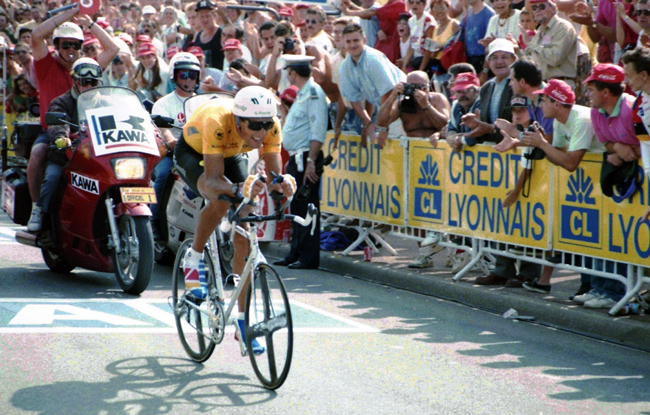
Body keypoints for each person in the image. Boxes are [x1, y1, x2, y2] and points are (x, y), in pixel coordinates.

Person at [174, 86, 296, 355]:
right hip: (193, 153)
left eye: (266, 124)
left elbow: (274, 177)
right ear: (239, 120)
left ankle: (244, 324)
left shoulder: (270, 125)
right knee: (219, 199)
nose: (261, 132)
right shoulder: (217, 121)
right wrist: (240, 189)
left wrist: (284, 184)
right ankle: (193, 259)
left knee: (246, 221)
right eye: (254, 125)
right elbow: (216, 180)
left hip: (230, 153)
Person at [26, 7, 119, 232]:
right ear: (56, 46)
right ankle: (37, 207)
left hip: (90, 135)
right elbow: (37, 35)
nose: (70, 49)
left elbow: (113, 48)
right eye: (65, 44)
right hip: (54, 132)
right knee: (38, 154)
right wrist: (73, 11)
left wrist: (90, 24)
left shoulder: (87, 69)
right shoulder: (46, 64)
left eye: (75, 45)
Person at [28, 59, 103, 232]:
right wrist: (62, 137)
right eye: (85, 82)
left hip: (99, 158)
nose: (90, 86)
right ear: (75, 81)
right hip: (68, 156)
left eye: (94, 82)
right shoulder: (61, 102)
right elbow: (57, 124)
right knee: (53, 177)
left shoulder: (107, 102)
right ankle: (39, 212)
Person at [272, 55, 328, 270]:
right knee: (296, 207)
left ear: (293, 73)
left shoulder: (313, 94)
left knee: (307, 208)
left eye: (288, 71)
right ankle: (295, 252)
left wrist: (311, 161)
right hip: (298, 157)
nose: (287, 76)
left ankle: (308, 257)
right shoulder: (304, 94)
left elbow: (317, 131)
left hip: (307, 157)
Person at [150, 52, 201, 240]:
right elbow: (165, 133)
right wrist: (171, 140)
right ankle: (153, 222)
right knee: (163, 175)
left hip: (200, 151)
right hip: (171, 153)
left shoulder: (203, 103)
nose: (188, 80)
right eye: (183, 75)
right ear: (174, 76)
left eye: (192, 75)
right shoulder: (163, 104)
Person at [338, 23, 406, 147]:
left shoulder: (373, 59)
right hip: (387, 107)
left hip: (403, 105)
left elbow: (388, 93)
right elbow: (355, 99)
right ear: (343, 43)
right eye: (348, 41)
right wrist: (367, 123)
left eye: (356, 40)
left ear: (364, 40)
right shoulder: (345, 67)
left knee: (397, 148)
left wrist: (384, 127)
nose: (352, 45)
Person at [621, 47, 650, 223]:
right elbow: (647, 151)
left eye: (629, 75)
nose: (625, 81)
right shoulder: (638, 106)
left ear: (643, 75)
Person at [521, 0, 577, 87]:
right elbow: (530, 58)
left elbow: (555, 58)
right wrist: (516, 50)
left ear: (553, 8)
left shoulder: (563, 27)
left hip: (562, 84)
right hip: (543, 84)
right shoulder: (540, 31)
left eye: (542, 6)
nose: (538, 10)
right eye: (534, 8)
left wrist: (531, 44)